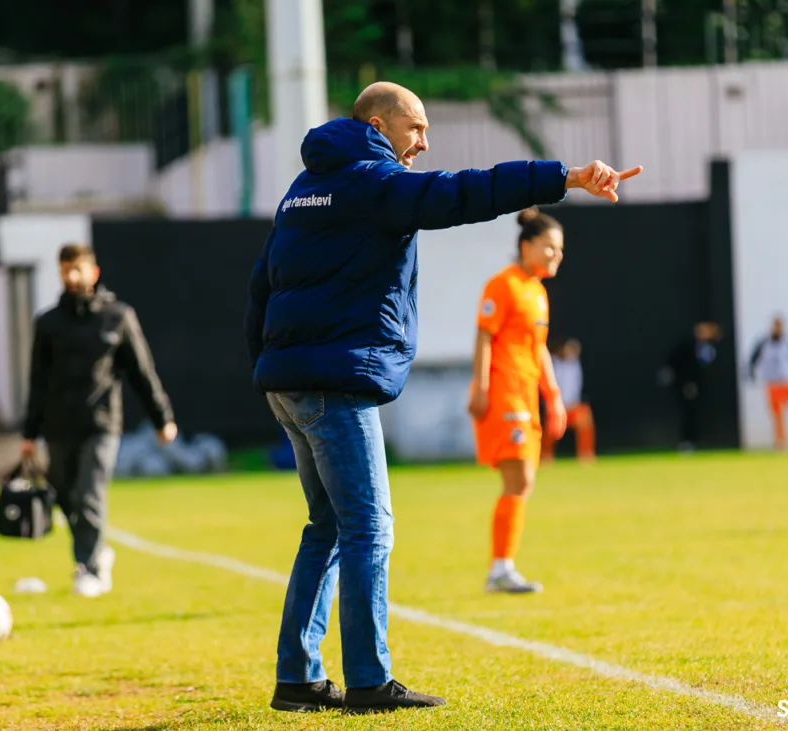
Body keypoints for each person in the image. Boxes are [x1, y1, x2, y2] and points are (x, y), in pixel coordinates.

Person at [245, 80, 642, 715]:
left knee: (328, 528)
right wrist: (564, 177)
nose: (425, 143)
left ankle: (298, 677)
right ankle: (368, 681)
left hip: (290, 380)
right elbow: (464, 191)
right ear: (378, 126)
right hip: (333, 385)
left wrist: (267, 368)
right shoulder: (373, 181)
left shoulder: (302, 191)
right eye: (417, 128)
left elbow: (261, 286)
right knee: (368, 527)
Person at [20, 243, 177, 598]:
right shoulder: (48, 323)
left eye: (78, 269)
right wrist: (29, 433)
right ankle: (99, 552)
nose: (72, 276)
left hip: (102, 424)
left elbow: (142, 373)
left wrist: (162, 418)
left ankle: (88, 568)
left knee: (89, 493)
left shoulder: (118, 317)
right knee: (66, 497)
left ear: (94, 272)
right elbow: (37, 381)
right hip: (58, 426)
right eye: (65, 270)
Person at [468, 208, 569, 594]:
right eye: (549, 247)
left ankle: (502, 567)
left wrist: (554, 397)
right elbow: (484, 336)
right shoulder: (503, 285)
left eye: (560, 249)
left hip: (526, 395)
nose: (556, 255)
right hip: (504, 392)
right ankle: (500, 569)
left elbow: (539, 349)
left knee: (524, 481)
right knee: (520, 478)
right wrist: (480, 387)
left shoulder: (538, 293)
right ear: (526, 246)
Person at [748, 315, 788, 449]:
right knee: (778, 415)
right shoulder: (763, 343)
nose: (778, 329)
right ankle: (781, 442)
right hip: (773, 383)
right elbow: (753, 359)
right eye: (775, 326)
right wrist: (751, 372)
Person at [663, 321, 721, 451]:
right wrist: (686, 383)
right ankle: (686, 441)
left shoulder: (709, 347)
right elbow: (676, 363)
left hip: (699, 386)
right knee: (688, 413)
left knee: (698, 413)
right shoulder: (686, 345)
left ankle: (696, 440)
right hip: (685, 385)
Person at [540, 338, 596, 464]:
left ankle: (586, 454)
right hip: (557, 405)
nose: (571, 352)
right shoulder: (553, 363)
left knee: (586, 421)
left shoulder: (575, 364)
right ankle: (545, 455)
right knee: (551, 430)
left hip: (573, 406)